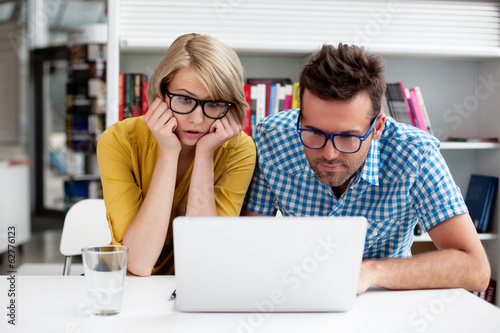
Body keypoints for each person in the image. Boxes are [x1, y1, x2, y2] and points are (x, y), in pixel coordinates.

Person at [241, 43, 490, 294]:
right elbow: (248, 245)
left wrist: (369, 272)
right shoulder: (272, 139)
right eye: (314, 132)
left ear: (378, 127)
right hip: (298, 292)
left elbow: (476, 269)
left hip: (386, 297)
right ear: (298, 118)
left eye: (348, 137)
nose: (329, 153)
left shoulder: (416, 154)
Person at [97, 33, 256, 276]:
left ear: (230, 107)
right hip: (131, 290)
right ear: (161, 95)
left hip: (199, 289)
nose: (197, 119)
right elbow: (138, 262)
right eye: (183, 99)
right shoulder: (119, 141)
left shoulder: (238, 149)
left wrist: (205, 154)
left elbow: (205, 260)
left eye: (213, 103)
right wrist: (168, 153)